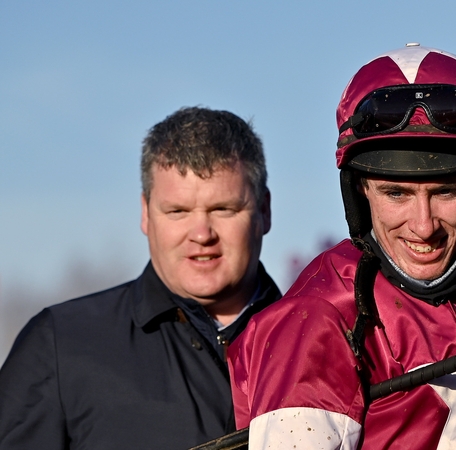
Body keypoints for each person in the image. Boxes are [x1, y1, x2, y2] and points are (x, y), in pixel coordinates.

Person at [228, 44, 456, 449]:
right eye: (396, 194)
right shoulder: (318, 319)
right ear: (361, 192)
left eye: (447, 192)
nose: (423, 225)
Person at [0, 106, 282, 450]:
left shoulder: (328, 340)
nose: (201, 233)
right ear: (146, 214)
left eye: (223, 209)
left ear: (264, 211)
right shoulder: (60, 346)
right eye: (177, 211)